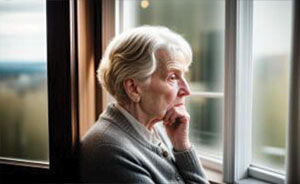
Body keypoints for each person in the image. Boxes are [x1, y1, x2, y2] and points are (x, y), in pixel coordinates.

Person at [80, 25, 209, 184]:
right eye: (172, 77)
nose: (186, 90)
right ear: (134, 88)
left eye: (183, 76)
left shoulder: (153, 129)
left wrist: (182, 146)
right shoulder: (108, 150)